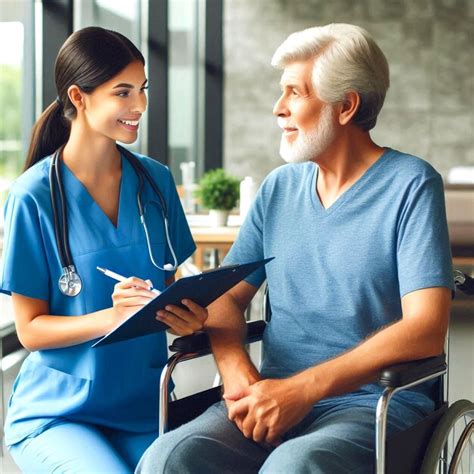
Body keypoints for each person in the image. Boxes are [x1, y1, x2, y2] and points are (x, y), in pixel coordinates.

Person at [137, 23, 453, 473]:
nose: (278, 108)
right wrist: (238, 374)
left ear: (345, 106)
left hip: (373, 404)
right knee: (168, 458)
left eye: (294, 93)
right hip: (272, 397)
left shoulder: (411, 185)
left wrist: (304, 390)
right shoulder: (279, 189)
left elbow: (425, 326)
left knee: (291, 466)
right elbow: (226, 296)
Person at [1, 26, 208, 473]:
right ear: (79, 97)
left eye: (143, 89)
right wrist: (109, 318)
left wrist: (187, 318)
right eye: (123, 92)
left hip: (144, 406)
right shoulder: (34, 196)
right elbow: (30, 330)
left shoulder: (155, 182)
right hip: (60, 413)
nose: (140, 106)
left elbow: (167, 292)